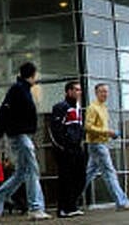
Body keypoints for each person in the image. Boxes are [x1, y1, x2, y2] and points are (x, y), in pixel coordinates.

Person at [0, 61, 51, 222]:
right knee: (32, 170)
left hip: (21, 136)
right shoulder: (18, 90)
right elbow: (3, 113)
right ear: (33, 75)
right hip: (19, 136)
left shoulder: (22, 90)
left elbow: (5, 114)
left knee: (20, 174)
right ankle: (35, 208)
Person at [82, 83, 129, 210]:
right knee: (109, 173)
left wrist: (109, 134)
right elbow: (88, 127)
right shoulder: (93, 108)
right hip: (97, 145)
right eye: (102, 91)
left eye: (106, 92)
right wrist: (107, 132)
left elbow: (100, 128)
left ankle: (70, 199)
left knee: (88, 174)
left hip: (101, 143)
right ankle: (121, 201)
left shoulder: (103, 108)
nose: (105, 94)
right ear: (96, 93)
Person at [49, 81, 85, 218]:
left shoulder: (78, 108)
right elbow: (54, 130)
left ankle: (71, 205)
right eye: (76, 90)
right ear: (68, 91)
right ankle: (64, 208)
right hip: (65, 149)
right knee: (66, 179)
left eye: (80, 90)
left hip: (77, 148)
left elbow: (79, 127)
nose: (79, 92)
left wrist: (80, 141)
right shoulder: (60, 107)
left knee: (80, 178)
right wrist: (63, 146)